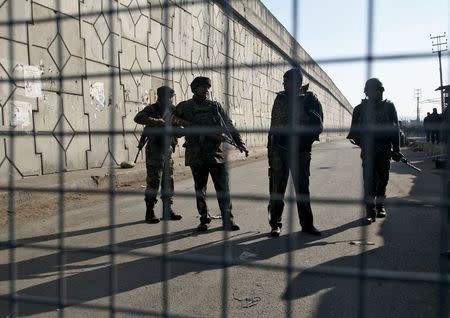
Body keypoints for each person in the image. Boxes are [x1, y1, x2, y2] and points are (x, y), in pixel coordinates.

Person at [173, 76, 246, 231]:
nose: (206, 90)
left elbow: (229, 125)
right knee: (200, 189)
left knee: (223, 188)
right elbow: (170, 119)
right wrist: (181, 126)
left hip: (216, 154)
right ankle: (204, 219)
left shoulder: (215, 106)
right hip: (196, 154)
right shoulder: (184, 106)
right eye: (202, 87)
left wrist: (240, 143)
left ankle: (228, 219)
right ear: (194, 89)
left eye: (207, 87)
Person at [267, 68, 324, 237]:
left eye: (287, 81)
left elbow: (317, 127)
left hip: (299, 153)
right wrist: (271, 150)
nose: (284, 83)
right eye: (283, 81)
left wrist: (302, 144)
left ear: (298, 83)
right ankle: (275, 224)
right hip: (278, 151)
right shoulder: (280, 98)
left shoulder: (309, 99)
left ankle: (307, 225)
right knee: (276, 190)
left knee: (302, 190)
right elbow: (273, 127)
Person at [347, 78, 403, 225]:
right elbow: (354, 132)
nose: (376, 93)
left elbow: (395, 130)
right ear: (367, 92)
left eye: (378, 90)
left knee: (383, 179)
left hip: (385, 149)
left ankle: (380, 205)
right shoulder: (359, 109)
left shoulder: (389, 107)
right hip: (368, 150)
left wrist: (396, 150)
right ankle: (370, 211)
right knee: (369, 181)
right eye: (373, 91)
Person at [134, 86, 182, 224]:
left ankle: (168, 210)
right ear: (161, 97)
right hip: (155, 149)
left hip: (168, 149)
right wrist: (155, 121)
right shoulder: (152, 109)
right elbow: (138, 117)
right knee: (154, 181)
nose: (170, 99)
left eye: (171, 97)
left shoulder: (173, 109)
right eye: (168, 97)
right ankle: (150, 211)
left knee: (168, 180)